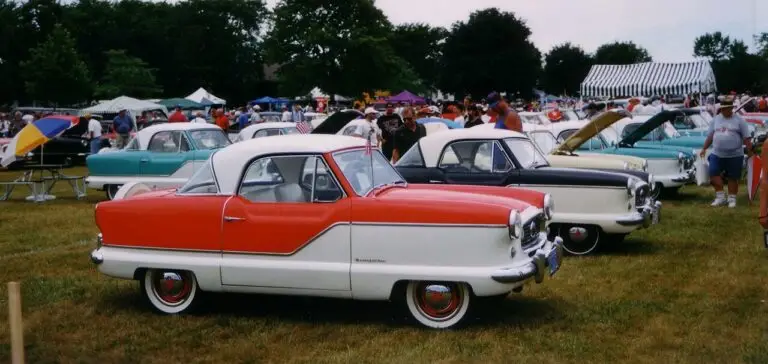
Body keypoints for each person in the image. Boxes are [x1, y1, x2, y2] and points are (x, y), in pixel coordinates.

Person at [700, 96, 752, 208]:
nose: (724, 110)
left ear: (731, 108)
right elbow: (710, 136)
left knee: (733, 177)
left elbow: (746, 138)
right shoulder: (715, 119)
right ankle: (720, 197)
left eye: (727, 108)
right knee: (713, 173)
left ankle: (732, 199)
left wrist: (750, 152)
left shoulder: (739, 120)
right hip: (717, 153)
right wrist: (704, 148)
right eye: (723, 108)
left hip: (735, 154)